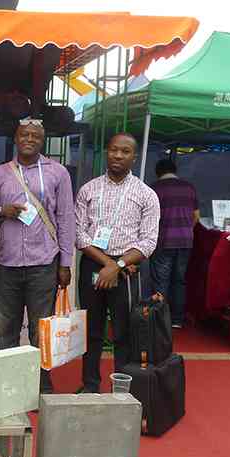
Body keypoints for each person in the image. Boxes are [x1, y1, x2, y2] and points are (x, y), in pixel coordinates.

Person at [0, 118, 75, 394]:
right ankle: (9, 384)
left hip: (44, 263)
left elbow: (66, 219)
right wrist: (2, 212)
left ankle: (40, 383)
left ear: (43, 140)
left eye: (35, 136)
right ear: (15, 138)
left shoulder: (58, 173)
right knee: (6, 328)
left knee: (41, 329)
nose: (29, 139)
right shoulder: (0, 173)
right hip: (7, 263)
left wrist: (65, 263)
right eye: (24, 135)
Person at [74, 133, 160, 393]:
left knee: (124, 331)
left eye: (125, 152)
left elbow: (149, 241)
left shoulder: (146, 195)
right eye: (113, 150)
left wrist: (118, 265)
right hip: (94, 264)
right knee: (91, 330)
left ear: (134, 157)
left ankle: (121, 389)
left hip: (128, 270)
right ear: (106, 152)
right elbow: (79, 234)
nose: (118, 156)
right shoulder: (88, 190)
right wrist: (107, 265)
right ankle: (90, 385)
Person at [150, 158, 199, 329]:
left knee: (160, 280)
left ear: (158, 172)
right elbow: (196, 216)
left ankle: (160, 319)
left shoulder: (154, 189)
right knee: (179, 280)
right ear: (174, 170)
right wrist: (186, 229)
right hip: (185, 241)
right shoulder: (189, 187)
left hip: (163, 240)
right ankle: (177, 319)